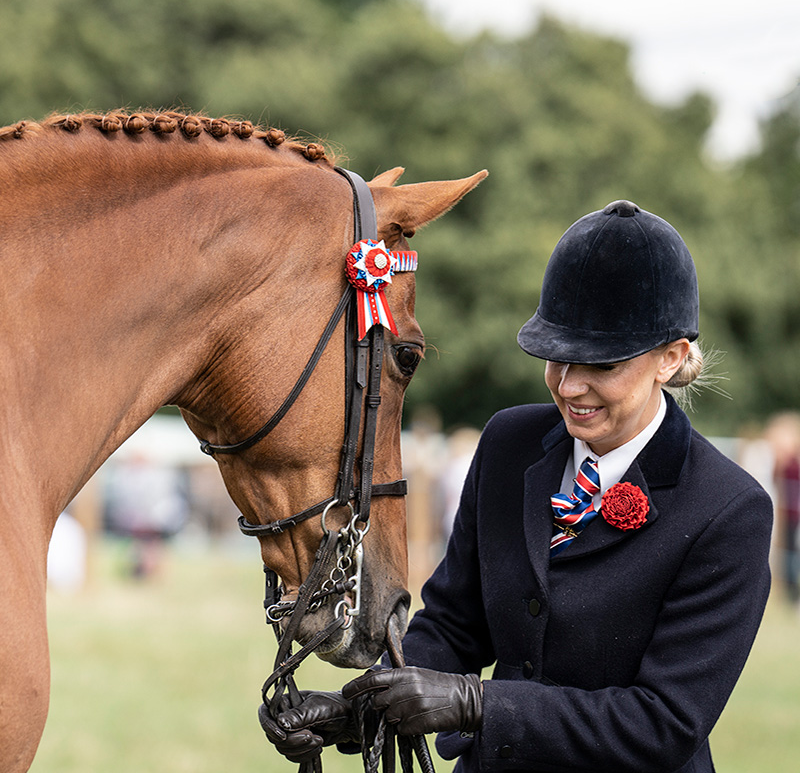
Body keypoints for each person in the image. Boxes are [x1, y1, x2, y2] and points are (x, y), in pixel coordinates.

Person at [261, 200, 773, 773]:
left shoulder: (729, 510)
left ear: (670, 359)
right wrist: (358, 706)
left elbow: (664, 722)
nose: (570, 385)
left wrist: (479, 704)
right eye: (556, 358)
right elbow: (456, 624)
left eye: (601, 366)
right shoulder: (511, 442)